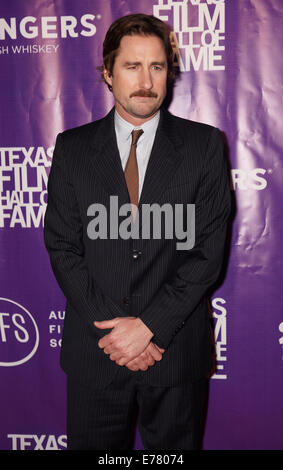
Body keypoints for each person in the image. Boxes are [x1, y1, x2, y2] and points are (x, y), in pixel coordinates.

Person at [44, 13, 231, 450]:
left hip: (174, 351)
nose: (146, 80)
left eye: (157, 66)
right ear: (108, 73)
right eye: (132, 66)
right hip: (96, 353)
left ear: (169, 71)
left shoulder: (204, 146)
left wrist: (149, 327)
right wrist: (117, 335)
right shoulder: (72, 149)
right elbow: (63, 246)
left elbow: (207, 253)